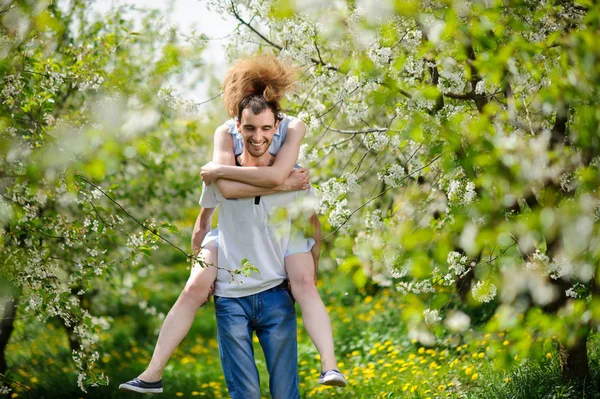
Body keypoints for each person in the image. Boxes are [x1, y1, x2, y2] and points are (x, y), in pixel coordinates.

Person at [119, 55, 346, 394]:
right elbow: (222, 193)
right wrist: (197, 259)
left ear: (275, 109)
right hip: (230, 255)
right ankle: (153, 373)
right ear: (238, 118)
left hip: (280, 243)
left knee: (305, 284)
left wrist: (267, 180)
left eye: (265, 125)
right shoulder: (227, 132)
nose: (257, 134)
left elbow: (281, 185)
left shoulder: (292, 131)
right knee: (194, 287)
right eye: (248, 124)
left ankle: (330, 365)